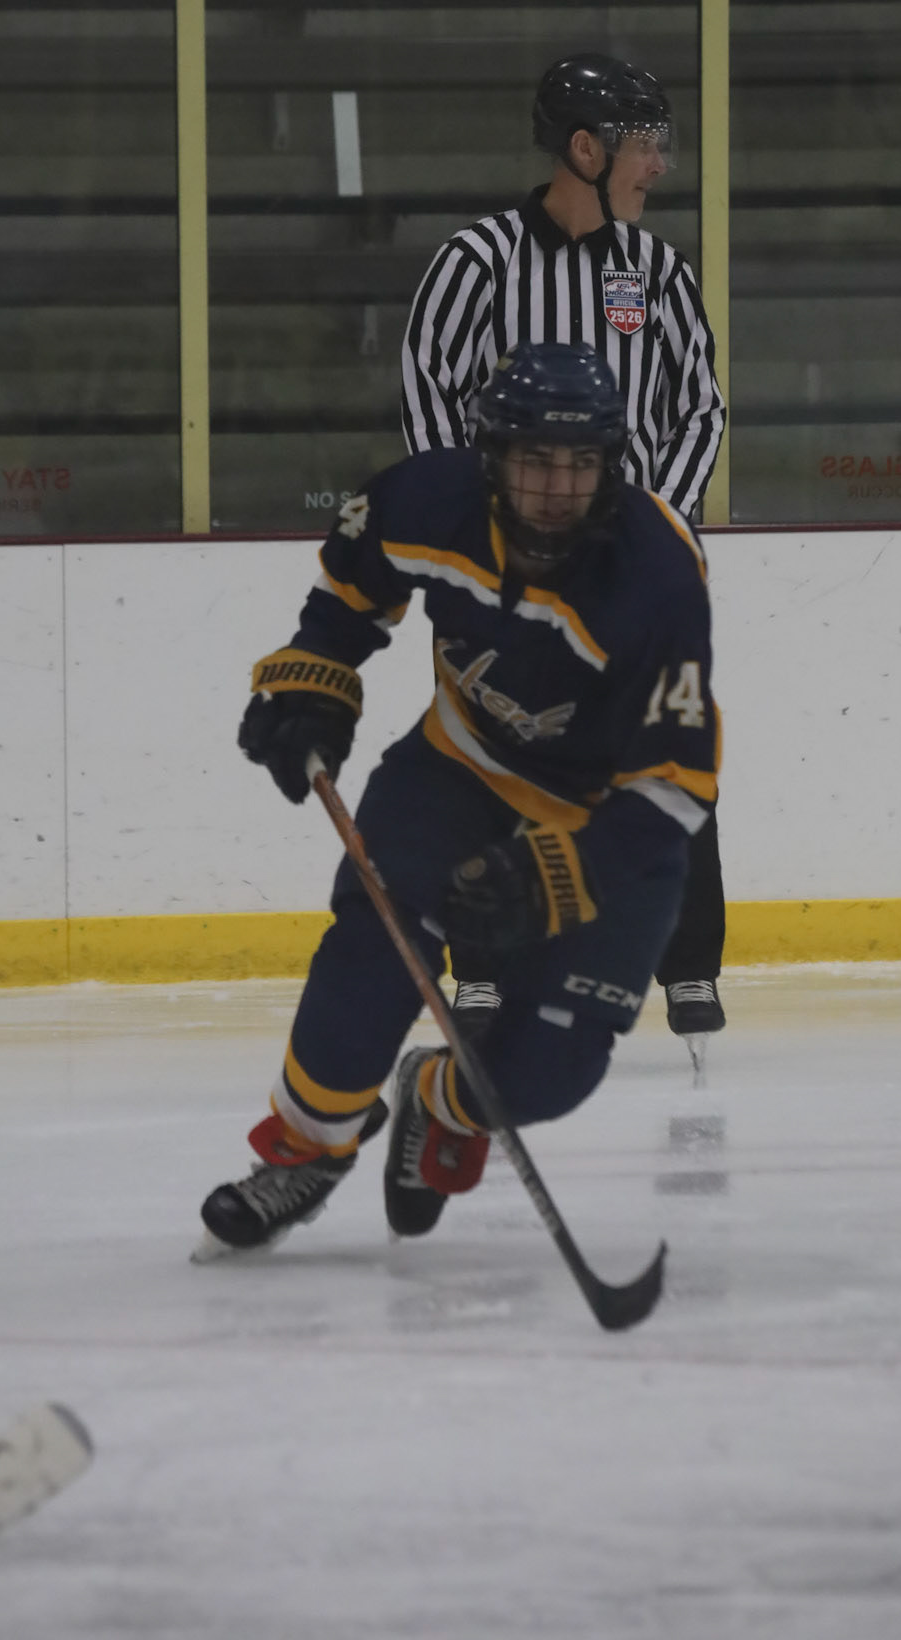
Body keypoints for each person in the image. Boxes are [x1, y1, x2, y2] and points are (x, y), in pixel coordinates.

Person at [197, 343, 719, 1256]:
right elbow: (348, 596)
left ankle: (436, 1098)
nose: (556, 488)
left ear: (609, 466)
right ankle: (306, 1152)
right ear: (491, 459)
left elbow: (674, 790)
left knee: (546, 1076)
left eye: (580, 462)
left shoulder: (657, 578)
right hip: (459, 768)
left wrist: (556, 871)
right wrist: (314, 682)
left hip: (605, 820)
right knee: (374, 944)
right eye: (534, 460)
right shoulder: (425, 500)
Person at [399, 52, 728, 1041]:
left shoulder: (656, 271)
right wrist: (476, 529)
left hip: (629, 564)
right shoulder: (480, 261)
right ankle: (483, 962)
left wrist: (655, 527)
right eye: (644, 144)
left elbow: (700, 406)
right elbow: (427, 388)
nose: (658, 165)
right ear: (584, 149)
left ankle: (687, 964)